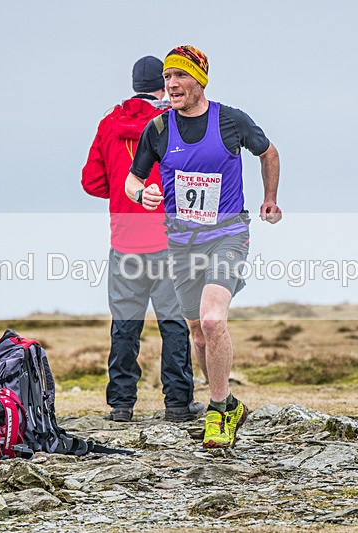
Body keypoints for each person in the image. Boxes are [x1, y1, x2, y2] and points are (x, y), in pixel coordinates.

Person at [124, 45, 282, 448]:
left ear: (199, 80)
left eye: (180, 77)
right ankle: (228, 402)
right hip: (181, 244)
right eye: (167, 79)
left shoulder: (230, 120)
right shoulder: (158, 130)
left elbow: (268, 151)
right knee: (197, 334)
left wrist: (269, 198)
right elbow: (132, 179)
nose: (171, 85)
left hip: (228, 235)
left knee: (213, 321)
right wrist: (141, 194)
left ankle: (216, 412)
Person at [82, 56, 201, 423]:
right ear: (163, 85)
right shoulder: (176, 123)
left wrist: (125, 194)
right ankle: (178, 404)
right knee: (174, 323)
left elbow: (92, 182)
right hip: (171, 241)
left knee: (125, 325)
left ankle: (121, 405)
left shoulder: (108, 124)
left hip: (124, 242)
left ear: (134, 83)